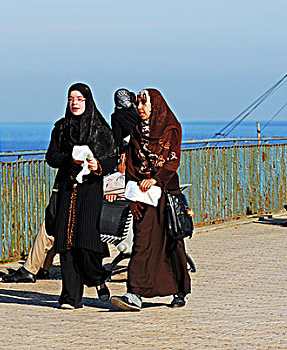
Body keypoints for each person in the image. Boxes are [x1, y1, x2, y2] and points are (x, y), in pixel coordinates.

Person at [110, 89, 191, 311]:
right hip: (143, 197)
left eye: (145, 104)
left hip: (166, 194)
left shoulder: (171, 128)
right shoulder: (136, 131)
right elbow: (133, 166)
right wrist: (133, 195)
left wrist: (155, 179)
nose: (140, 108)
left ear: (155, 106)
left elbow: (173, 161)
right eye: (138, 103)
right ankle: (135, 293)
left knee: (171, 243)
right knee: (142, 243)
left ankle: (179, 291)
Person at [46, 83, 118, 309]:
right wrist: (71, 160)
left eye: (79, 99)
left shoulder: (101, 128)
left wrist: (97, 165)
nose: (75, 103)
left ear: (88, 101)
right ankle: (71, 297)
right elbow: (52, 158)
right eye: (71, 99)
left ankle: (97, 278)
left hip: (90, 191)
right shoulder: (60, 128)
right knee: (66, 245)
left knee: (86, 244)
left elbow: (113, 159)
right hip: (67, 189)